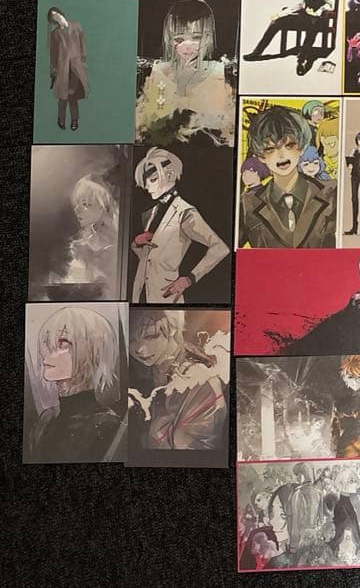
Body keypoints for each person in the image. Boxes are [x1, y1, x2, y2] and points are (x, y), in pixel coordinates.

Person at [27, 305, 124, 464]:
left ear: (93, 352)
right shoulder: (46, 418)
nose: (45, 352)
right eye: (46, 342)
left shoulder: (107, 425)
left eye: (62, 343)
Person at [131, 147, 229, 303]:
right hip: (139, 295)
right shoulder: (150, 213)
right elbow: (150, 258)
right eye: (145, 181)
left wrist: (189, 279)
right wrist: (136, 244)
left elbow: (220, 248)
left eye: (153, 179)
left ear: (169, 175)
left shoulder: (185, 212)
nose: (147, 187)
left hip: (166, 298)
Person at [135, 0, 234, 147]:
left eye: (196, 37)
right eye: (179, 39)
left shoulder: (225, 74)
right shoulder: (151, 73)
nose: (188, 46)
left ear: (208, 37)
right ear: (169, 39)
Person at [238, 103, 337, 248]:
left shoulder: (331, 193)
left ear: (301, 147)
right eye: (270, 149)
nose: (281, 155)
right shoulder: (248, 203)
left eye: (289, 145)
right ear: (260, 156)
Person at [128, 309, 228, 451]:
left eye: (150, 336)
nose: (139, 349)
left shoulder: (199, 381)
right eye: (131, 340)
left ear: (173, 329)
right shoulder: (154, 367)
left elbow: (197, 450)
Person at [244, 0, 335, 77]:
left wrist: (318, 11)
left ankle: (301, 60)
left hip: (319, 19)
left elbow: (329, 5)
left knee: (312, 26)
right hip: (305, 17)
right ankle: (257, 52)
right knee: (276, 22)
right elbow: (299, 5)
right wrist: (279, 15)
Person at [47, 6, 87, 131]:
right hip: (62, 68)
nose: (56, 16)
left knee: (73, 97)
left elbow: (82, 45)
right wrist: (54, 70)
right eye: (53, 16)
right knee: (62, 97)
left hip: (76, 67)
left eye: (57, 13)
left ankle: (75, 120)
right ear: (53, 20)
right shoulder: (55, 34)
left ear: (61, 13)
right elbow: (53, 54)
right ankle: (61, 119)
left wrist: (82, 62)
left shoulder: (76, 26)